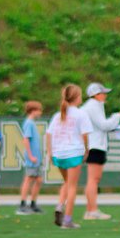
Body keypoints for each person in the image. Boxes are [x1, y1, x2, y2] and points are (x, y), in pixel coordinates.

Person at [46, 85, 93, 229]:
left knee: (66, 182)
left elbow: (49, 134)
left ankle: (60, 206)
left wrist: (50, 153)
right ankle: (67, 220)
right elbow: (85, 135)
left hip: (58, 154)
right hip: (73, 153)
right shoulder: (81, 114)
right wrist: (87, 150)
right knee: (73, 186)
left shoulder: (58, 114)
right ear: (77, 98)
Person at [82, 82, 120, 221]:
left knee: (93, 179)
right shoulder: (93, 106)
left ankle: (90, 210)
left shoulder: (94, 106)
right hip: (95, 145)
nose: (105, 96)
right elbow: (104, 125)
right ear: (96, 94)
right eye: (103, 93)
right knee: (93, 180)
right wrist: (118, 116)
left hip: (95, 145)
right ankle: (92, 210)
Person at [17, 101, 44, 215]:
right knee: (28, 179)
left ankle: (33, 203)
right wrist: (30, 155)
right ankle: (22, 204)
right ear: (33, 111)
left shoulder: (32, 123)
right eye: (39, 110)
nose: (40, 113)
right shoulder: (29, 123)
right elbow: (26, 139)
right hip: (32, 158)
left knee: (38, 180)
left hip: (36, 158)